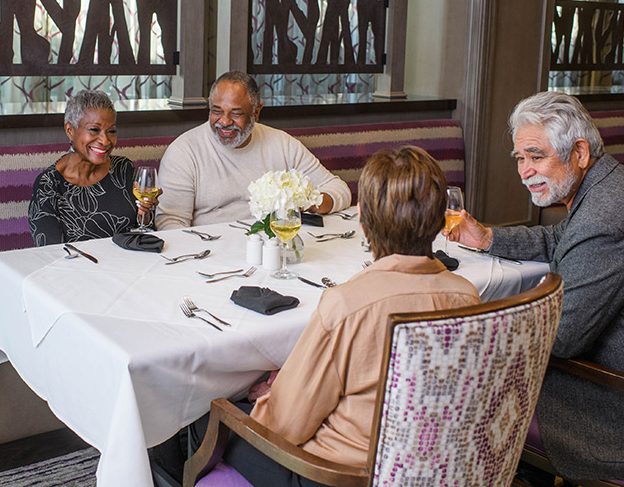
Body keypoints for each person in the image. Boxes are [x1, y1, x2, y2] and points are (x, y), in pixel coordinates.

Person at [190, 146, 480, 486]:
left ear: (362, 219)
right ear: (440, 218)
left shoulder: (347, 305)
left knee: (201, 417)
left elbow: (283, 427)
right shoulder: (467, 295)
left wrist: (269, 395)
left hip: (335, 476)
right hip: (433, 468)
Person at [445, 91, 624, 481]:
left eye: (536, 156)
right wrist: (489, 238)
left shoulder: (602, 221)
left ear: (579, 152)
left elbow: (562, 340)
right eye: (520, 159)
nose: (525, 171)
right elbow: (560, 239)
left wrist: (479, 325)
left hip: (604, 408)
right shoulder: (607, 185)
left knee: (460, 392)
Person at [156, 71, 351, 229]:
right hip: (210, 252)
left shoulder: (282, 144)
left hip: (273, 247)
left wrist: (309, 202)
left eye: (236, 113)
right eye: (216, 111)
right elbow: (170, 224)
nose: (224, 122)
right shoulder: (184, 152)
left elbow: (339, 190)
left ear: (256, 112)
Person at [28, 90, 159, 246]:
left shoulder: (123, 169)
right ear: (70, 130)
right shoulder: (49, 185)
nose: (105, 140)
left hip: (130, 265)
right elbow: (50, 252)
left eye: (111, 131)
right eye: (94, 130)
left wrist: (145, 214)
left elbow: (143, 232)